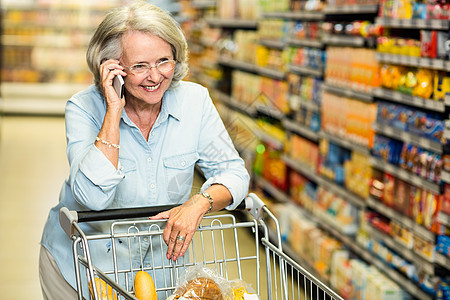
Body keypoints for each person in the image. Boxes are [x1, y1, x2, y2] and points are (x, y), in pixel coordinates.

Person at [39, 1, 250, 299]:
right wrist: (113, 111)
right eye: (139, 66)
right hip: (84, 267)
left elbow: (233, 172)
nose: (155, 76)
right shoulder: (83, 108)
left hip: (160, 269)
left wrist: (199, 202)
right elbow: (93, 197)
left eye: (164, 61)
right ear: (110, 67)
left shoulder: (195, 101)